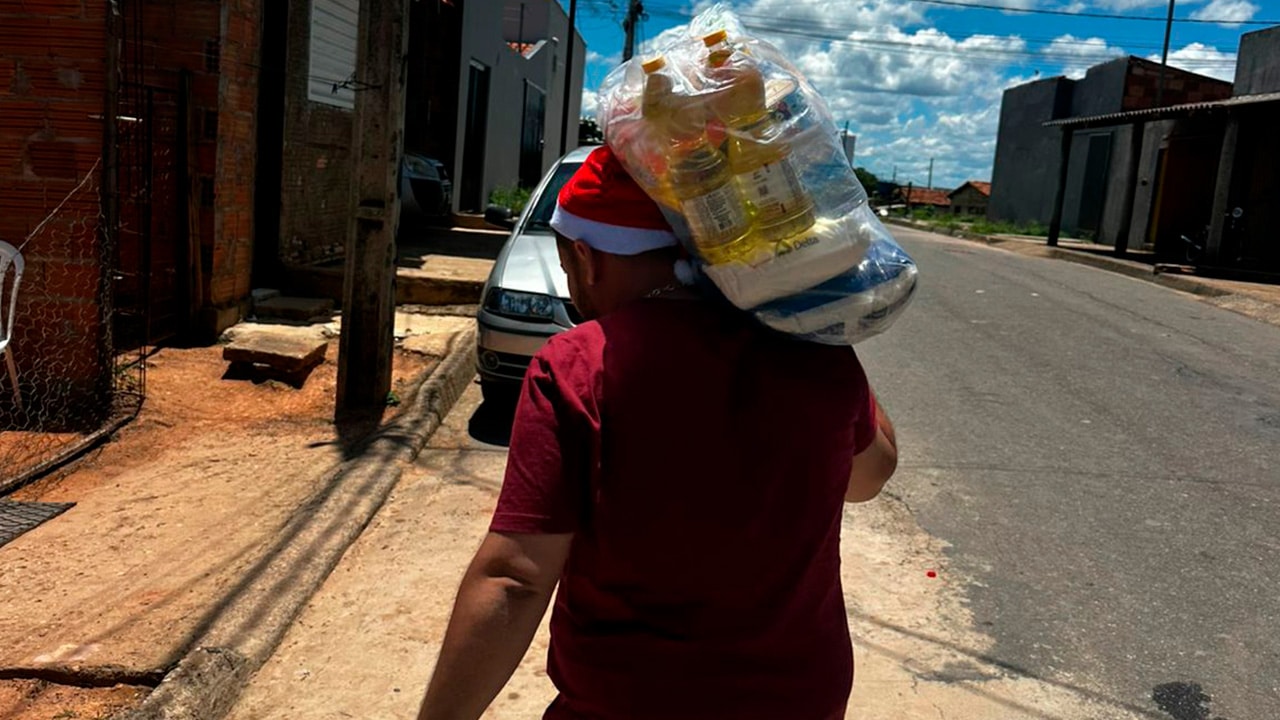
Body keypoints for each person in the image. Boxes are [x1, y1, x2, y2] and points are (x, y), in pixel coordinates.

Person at [417, 146, 897, 720]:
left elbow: (515, 578)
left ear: (586, 258)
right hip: (801, 702)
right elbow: (870, 475)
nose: (573, 292)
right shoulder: (816, 356)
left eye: (568, 271)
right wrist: (826, 326)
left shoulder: (578, 365)